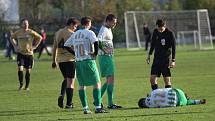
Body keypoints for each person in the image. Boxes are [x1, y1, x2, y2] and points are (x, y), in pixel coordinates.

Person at [64, 16, 107, 114]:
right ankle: (98, 107)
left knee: (82, 85)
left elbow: (66, 45)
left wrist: (75, 53)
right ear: (88, 24)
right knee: (97, 83)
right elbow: (96, 42)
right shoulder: (89, 32)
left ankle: (85, 108)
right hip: (88, 61)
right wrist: (95, 53)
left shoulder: (75, 34)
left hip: (78, 62)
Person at [52, 17, 79, 109]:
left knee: (66, 79)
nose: (75, 28)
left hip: (60, 60)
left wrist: (54, 60)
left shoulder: (58, 32)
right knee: (71, 82)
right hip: (70, 60)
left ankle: (61, 95)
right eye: (75, 26)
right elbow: (74, 47)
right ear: (71, 24)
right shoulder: (72, 34)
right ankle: (69, 104)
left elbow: (55, 47)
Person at [97, 14, 122, 109]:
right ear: (108, 21)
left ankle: (99, 100)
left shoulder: (108, 29)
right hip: (105, 57)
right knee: (111, 79)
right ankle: (109, 103)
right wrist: (104, 50)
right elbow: (98, 41)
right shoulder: (103, 29)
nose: (115, 24)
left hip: (109, 57)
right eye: (113, 22)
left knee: (109, 80)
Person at [11, 19, 42, 91]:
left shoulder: (31, 32)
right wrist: (15, 46)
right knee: (20, 68)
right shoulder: (18, 32)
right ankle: (21, 84)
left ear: (28, 24)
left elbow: (40, 37)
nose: (26, 25)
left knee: (28, 70)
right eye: (24, 24)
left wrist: (35, 46)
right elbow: (11, 38)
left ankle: (27, 86)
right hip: (21, 54)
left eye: (27, 24)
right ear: (22, 25)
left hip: (29, 54)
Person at [146, 19, 176, 90]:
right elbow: (152, 44)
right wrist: (149, 55)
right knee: (152, 79)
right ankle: (156, 96)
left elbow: (174, 47)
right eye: (158, 28)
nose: (160, 30)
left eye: (161, 29)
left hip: (166, 59)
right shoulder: (155, 32)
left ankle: (168, 98)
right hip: (156, 59)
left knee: (167, 80)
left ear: (164, 26)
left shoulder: (170, 34)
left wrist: (173, 60)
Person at [138, 88, 206, 108]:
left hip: (174, 103)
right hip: (175, 92)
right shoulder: (183, 98)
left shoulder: (184, 102)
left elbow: (191, 102)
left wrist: (199, 101)